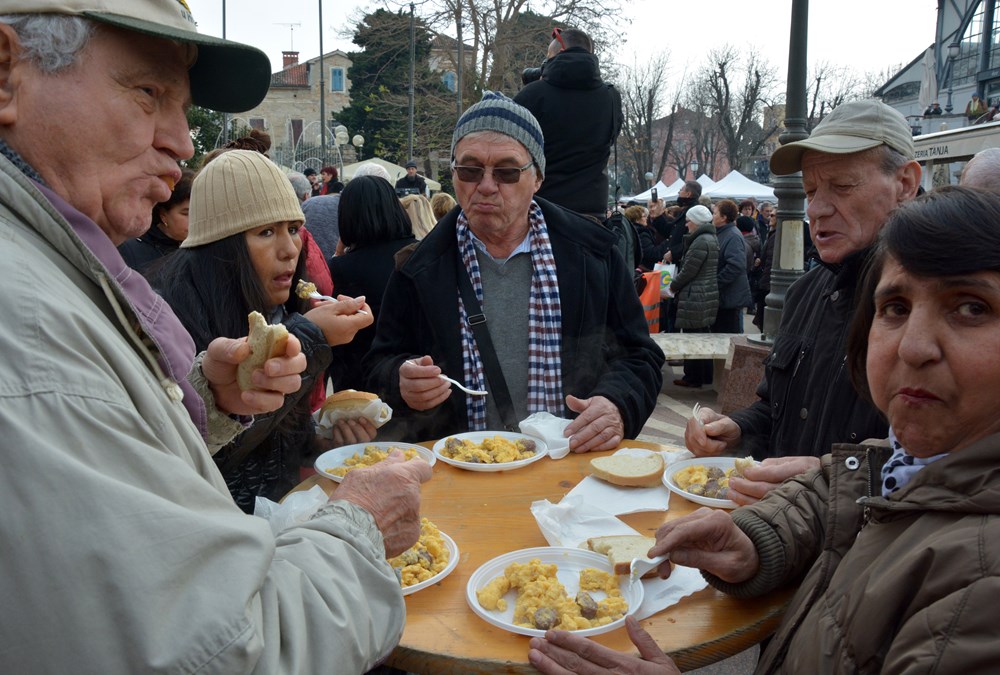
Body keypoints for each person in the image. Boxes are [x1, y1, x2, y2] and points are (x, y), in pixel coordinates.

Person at [0, 5, 431, 671]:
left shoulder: (57, 271)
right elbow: (221, 646)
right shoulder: (27, 327)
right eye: (149, 92)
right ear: (6, 73)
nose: (182, 141)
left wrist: (203, 402)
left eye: (183, 104)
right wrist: (359, 527)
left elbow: (116, 477)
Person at [529, 186, 1000, 674]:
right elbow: (849, 491)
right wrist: (755, 541)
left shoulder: (982, 590)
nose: (913, 347)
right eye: (896, 308)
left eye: (971, 308)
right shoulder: (911, 460)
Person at [363, 91, 664, 451]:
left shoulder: (592, 255)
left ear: (537, 178)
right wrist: (401, 381)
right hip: (462, 473)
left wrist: (616, 404)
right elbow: (379, 364)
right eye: (470, 170)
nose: (486, 186)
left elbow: (640, 356)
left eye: (507, 172)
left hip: (569, 468)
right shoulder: (417, 267)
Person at [686, 99, 921, 502]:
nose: (817, 208)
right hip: (777, 538)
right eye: (811, 190)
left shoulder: (947, 307)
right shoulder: (806, 292)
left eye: (842, 186)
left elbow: (959, 467)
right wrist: (737, 428)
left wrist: (832, 480)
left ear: (904, 184)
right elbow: (775, 410)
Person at [153, 150, 374, 511]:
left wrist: (327, 437)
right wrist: (310, 338)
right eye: (266, 232)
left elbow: (276, 442)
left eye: (293, 229)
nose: (289, 249)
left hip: (280, 523)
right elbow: (203, 452)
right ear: (220, 248)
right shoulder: (168, 322)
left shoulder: (281, 308)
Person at [513, 27, 622, 221]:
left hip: (541, 211)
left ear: (558, 54)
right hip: (592, 213)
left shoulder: (532, 94)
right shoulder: (611, 97)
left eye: (547, 57)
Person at [329, 175, 418, 391]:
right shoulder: (420, 255)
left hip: (361, 388)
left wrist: (338, 255)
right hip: (417, 378)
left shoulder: (341, 269)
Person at [668, 204, 718, 389]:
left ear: (696, 222)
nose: (686, 225)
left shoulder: (700, 241)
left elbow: (689, 270)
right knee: (702, 335)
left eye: (688, 221)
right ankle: (704, 376)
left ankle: (693, 377)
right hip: (704, 293)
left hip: (695, 295)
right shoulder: (710, 238)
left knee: (692, 337)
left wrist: (672, 286)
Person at [119, 167, 194, 274]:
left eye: (199, 212)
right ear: (163, 215)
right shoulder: (129, 251)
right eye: (186, 213)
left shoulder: (200, 252)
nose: (195, 220)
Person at [708, 198, 751, 336]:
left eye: (715, 213)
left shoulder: (732, 235)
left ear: (724, 217)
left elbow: (736, 265)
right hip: (725, 297)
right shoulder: (723, 233)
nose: (712, 216)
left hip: (729, 298)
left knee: (728, 338)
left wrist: (716, 283)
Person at [624, 203, 657, 270]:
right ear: (637, 219)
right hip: (644, 270)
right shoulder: (642, 233)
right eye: (644, 216)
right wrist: (666, 243)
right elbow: (651, 253)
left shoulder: (629, 230)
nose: (646, 218)